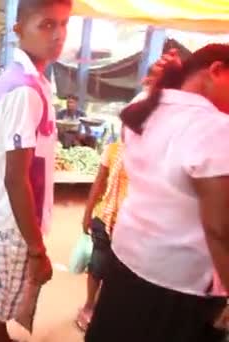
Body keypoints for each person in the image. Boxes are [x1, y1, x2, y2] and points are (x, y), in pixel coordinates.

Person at [85, 44, 229, 342]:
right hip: (179, 284)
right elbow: (219, 228)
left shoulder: (147, 108)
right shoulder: (215, 128)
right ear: (216, 71)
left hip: (127, 259)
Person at [0, 0, 72, 341]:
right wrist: (37, 250)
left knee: (6, 305)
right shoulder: (23, 88)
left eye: (63, 24)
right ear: (18, 29)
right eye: (47, 25)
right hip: (16, 226)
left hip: (19, 220)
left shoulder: (31, 80)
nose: (58, 35)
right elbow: (15, 179)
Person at [76, 137, 127, 331]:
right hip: (105, 217)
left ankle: (106, 310)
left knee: (119, 271)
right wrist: (87, 214)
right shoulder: (113, 149)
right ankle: (90, 306)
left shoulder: (149, 153)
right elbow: (99, 182)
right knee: (97, 265)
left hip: (130, 225)